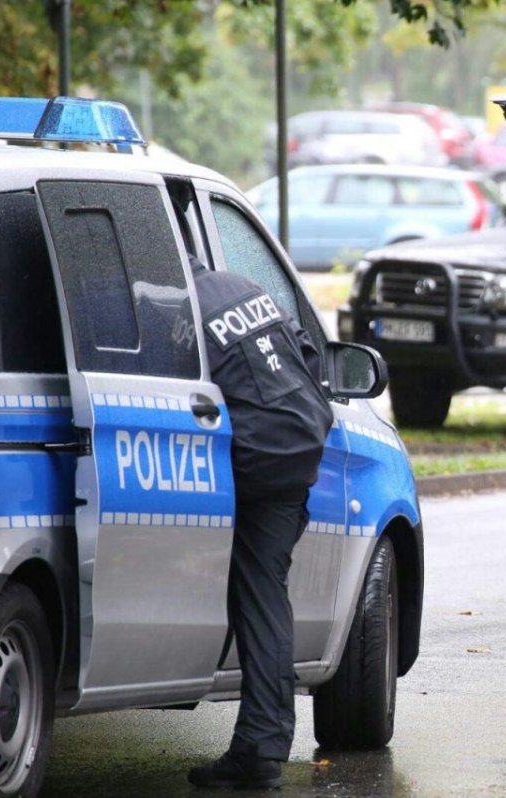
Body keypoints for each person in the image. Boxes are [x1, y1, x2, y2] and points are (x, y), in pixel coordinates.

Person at [182, 255, 334, 789]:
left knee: (259, 593)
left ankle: (262, 746)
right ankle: (260, 745)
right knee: (263, 593)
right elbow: (309, 353)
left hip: (260, 454)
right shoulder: (243, 286)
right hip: (301, 439)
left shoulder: (178, 306)